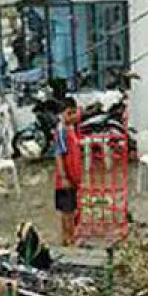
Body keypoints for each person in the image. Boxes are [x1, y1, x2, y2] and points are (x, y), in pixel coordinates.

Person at [53, 97, 83, 246]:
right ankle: (69, 238)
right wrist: (64, 177)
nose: (73, 116)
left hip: (73, 178)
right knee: (67, 212)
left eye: (74, 112)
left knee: (71, 210)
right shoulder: (62, 131)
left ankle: (69, 237)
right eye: (69, 113)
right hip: (65, 180)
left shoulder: (71, 129)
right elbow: (59, 155)